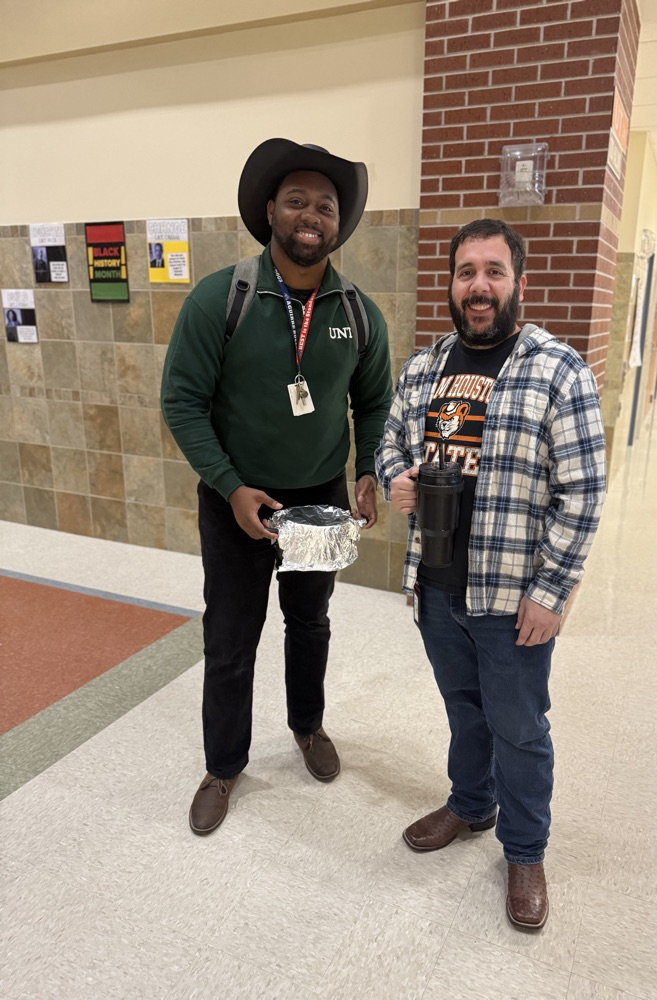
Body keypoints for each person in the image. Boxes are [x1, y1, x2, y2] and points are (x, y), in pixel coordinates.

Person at [375, 218, 606, 929]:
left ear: (518, 285)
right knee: (463, 709)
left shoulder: (556, 369)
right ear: (451, 284)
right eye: (466, 271)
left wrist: (551, 592)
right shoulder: (423, 367)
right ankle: (471, 806)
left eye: (493, 272)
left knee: (520, 726)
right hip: (436, 587)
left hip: (513, 597)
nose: (479, 286)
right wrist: (395, 479)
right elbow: (388, 441)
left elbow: (584, 491)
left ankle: (526, 850)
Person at [161, 138, 392, 836]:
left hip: (319, 501)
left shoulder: (357, 313)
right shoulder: (220, 299)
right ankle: (223, 766)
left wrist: (367, 468)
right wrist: (230, 486)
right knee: (231, 638)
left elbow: (374, 403)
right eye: (297, 199)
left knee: (310, 622)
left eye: (325, 204)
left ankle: (307, 726)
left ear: (337, 224)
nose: (311, 213)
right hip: (237, 504)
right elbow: (182, 403)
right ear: (270, 211)